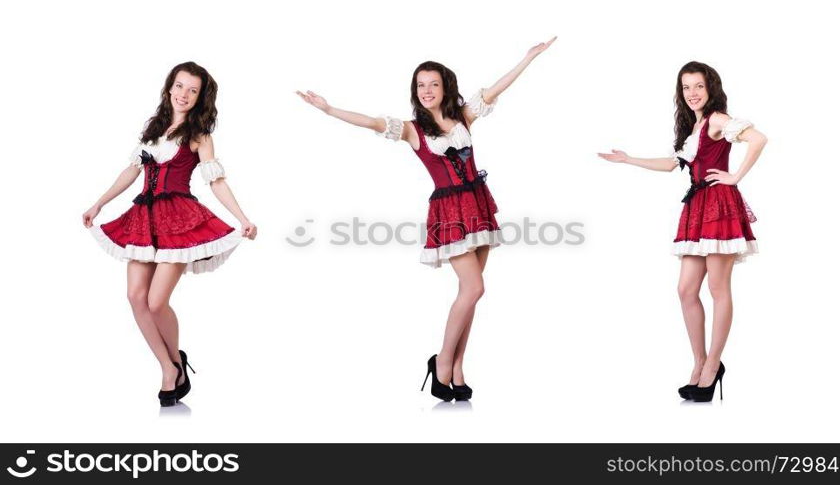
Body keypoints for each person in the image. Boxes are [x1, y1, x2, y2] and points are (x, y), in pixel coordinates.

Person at [298, 37, 556, 402]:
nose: (426, 90)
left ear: (445, 87)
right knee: (474, 289)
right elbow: (370, 122)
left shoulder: (463, 116)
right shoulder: (411, 129)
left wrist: (528, 58)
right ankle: (441, 361)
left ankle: (458, 367)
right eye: (420, 85)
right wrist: (329, 109)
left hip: (479, 205)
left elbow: (496, 88)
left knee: (471, 293)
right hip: (449, 212)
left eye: (433, 83)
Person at [82, 61, 257, 406]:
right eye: (180, 86)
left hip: (178, 220)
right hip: (142, 219)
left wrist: (242, 218)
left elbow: (216, 181)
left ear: (201, 97)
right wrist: (98, 203)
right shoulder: (153, 128)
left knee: (156, 301)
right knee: (135, 297)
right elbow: (131, 171)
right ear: (169, 88)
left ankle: (175, 364)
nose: (184, 94)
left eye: (193, 90)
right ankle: (169, 366)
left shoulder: (199, 135)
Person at [598, 61, 766, 402]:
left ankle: (712, 365)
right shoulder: (696, 127)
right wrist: (629, 159)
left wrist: (735, 176)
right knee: (686, 289)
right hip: (697, 206)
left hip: (718, 205)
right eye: (686, 87)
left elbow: (759, 138)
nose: (692, 93)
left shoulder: (718, 119)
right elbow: (673, 164)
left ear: (711, 88)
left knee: (719, 288)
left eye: (698, 86)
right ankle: (700, 363)